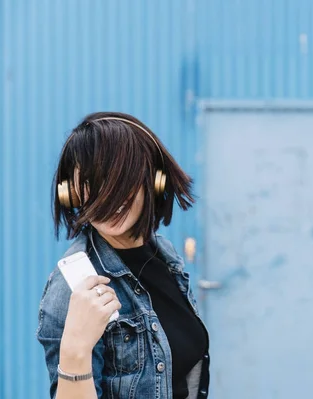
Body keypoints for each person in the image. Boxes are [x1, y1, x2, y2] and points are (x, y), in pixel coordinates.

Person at [36, 112, 210, 399]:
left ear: (155, 182)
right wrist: (75, 348)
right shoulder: (75, 286)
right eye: (92, 182)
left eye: (122, 180)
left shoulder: (164, 254)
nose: (109, 198)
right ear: (71, 193)